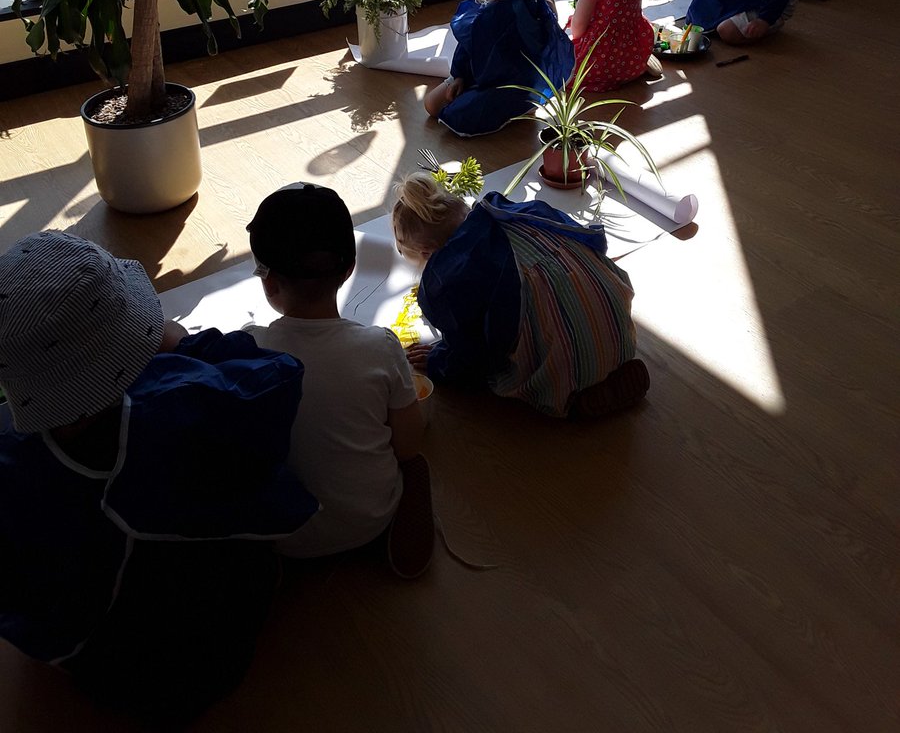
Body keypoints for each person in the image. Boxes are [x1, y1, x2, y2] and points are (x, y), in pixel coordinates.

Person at [0, 230, 318, 725]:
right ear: (137, 342)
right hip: (211, 657)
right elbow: (277, 375)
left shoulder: (13, 455)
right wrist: (186, 343)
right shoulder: (187, 407)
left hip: (96, 668)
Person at [245, 183, 434, 578]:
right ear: (349, 268)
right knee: (415, 464)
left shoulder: (250, 349)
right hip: (371, 519)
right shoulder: (380, 346)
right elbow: (408, 444)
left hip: (282, 535)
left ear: (268, 281)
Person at [391, 173, 650, 420]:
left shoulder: (447, 277)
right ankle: (616, 357)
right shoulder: (506, 213)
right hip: (615, 317)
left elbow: (473, 357)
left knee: (504, 368)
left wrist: (439, 361)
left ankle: (577, 395)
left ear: (426, 252)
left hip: (569, 363)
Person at [424, 0, 574, 137]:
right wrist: (460, 76)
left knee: (458, 116)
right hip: (481, 69)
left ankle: (522, 106)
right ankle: (478, 93)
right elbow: (470, 41)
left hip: (516, 78)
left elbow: (537, 44)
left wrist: (521, 5)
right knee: (432, 105)